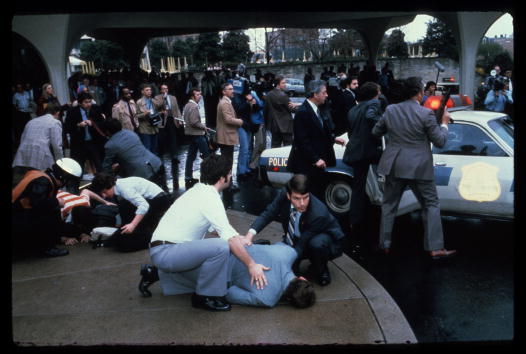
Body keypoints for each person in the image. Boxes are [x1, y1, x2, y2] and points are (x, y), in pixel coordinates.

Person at [138, 154, 270, 312]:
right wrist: (251, 265)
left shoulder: (199, 191)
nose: (230, 176)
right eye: (229, 174)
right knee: (221, 248)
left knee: (215, 270)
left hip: (166, 250)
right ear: (222, 178)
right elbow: (227, 239)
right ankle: (205, 297)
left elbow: (216, 229)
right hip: (167, 252)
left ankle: (154, 273)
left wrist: (241, 239)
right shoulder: (210, 198)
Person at [371, 77, 457, 260]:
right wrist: (444, 123)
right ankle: (435, 249)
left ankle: (384, 244)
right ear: (419, 93)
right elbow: (440, 141)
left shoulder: (391, 109)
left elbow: (376, 132)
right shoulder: (425, 114)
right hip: (420, 167)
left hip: (394, 164)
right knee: (431, 204)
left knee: (388, 206)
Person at [245, 174, 345, 286]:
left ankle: (321, 269)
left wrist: (289, 263)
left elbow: (303, 243)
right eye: (297, 198)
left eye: (305, 197)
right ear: (288, 195)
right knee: (288, 265)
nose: (302, 203)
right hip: (301, 235)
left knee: (315, 245)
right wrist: (250, 235)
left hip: (328, 239)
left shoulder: (318, 213)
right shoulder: (283, 194)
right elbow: (269, 213)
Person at [287, 80, 346, 200]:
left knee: (317, 196)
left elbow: (318, 132)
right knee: (308, 197)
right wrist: (316, 159)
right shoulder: (303, 112)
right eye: (324, 92)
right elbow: (302, 140)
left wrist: (333, 139)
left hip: (316, 164)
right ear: (315, 94)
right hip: (307, 165)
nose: (327, 95)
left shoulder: (316, 109)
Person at [12, 158, 82, 258]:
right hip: (18, 222)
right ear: (63, 177)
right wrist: (57, 201)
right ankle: (46, 249)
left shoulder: (42, 175)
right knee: (52, 210)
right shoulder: (42, 181)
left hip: (18, 217)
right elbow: (37, 203)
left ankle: (54, 240)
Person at [342, 82, 383, 252]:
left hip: (355, 153)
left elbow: (352, 132)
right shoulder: (374, 103)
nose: (380, 94)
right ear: (374, 94)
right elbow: (372, 118)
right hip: (370, 153)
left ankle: (354, 222)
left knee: (358, 188)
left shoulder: (353, 109)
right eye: (379, 91)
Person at [90, 172, 172, 252]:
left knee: (125, 244)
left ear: (110, 186)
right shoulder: (117, 186)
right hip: (151, 200)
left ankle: (150, 240)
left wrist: (133, 224)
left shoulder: (124, 188)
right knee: (124, 211)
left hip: (159, 201)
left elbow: (144, 206)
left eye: (104, 192)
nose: (104, 196)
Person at [225, 243, 316, 308]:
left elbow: (279, 244)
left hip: (231, 245)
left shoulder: (289, 253)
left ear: (302, 278)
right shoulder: (267, 299)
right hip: (221, 268)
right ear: (288, 299)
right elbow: (230, 293)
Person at [101, 118, 168, 191]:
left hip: (143, 174)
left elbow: (106, 168)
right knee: (164, 194)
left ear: (107, 132)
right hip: (156, 163)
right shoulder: (130, 133)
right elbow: (133, 152)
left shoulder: (110, 145)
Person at [64, 92, 108, 177]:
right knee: (77, 168)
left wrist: (93, 123)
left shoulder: (96, 108)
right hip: (79, 144)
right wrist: (78, 125)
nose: (88, 104)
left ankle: (104, 184)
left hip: (94, 142)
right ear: (80, 103)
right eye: (86, 102)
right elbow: (67, 128)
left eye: (89, 101)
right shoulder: (72, 111)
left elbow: (103, 124)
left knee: (99, 166)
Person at [13, 103, 64, 173]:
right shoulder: (55, 122)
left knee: (28, 179)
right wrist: (61, 162)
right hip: (39, 155)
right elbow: (57, 145)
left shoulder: (31, 121)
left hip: (23, 155)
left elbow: (23, 139)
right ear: (57, 113)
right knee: (41, 179)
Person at [155, 83, 183, 190]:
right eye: (163, 89)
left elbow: (177, 110)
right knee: (162, 139)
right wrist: (163, 98)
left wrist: (179, 119)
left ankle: (174, 156)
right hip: (162, 121)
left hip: (172, 120)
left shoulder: (173, 98)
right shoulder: (157, 98)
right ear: (160, 90)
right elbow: (157, 106)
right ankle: (161, 155)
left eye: (166, 88)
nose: (165, 90)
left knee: (173, 138)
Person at [183, 88, 210, 190]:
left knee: (190, 157)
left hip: (191, 134)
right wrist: (204, 127)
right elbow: (194, 122)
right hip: (198, 134)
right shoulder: (194, 106)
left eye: (200, 94)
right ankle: (206, 178)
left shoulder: (187, 105)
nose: (200, 96)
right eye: (198, 95)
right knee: (207, 156)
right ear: (192, 96)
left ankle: (188, 177)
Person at [216, 82, 244, 179]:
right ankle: (227, 184)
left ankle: (228, 183)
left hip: (226, 136)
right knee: (227, 161)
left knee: (227, 160)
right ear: (224, 92)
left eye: (232, 88)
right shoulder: (224, 103)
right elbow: (228, 119)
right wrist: (240, 121)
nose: (233, 91)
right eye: (230, 89)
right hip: (226, 137)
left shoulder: (226, 102)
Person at [264, 76, 297, 148]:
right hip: (286, 126)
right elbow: (293, 109)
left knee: (275, 148)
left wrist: (267, 125)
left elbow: (265, 111)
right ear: (278, 84)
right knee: (288, 149)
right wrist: (300, 105)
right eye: (283, 83)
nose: (285, 84)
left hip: (274, 126)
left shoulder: (268, 95)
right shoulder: (283, 96)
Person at [136, 83, 164, 153]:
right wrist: (145, 113)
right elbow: (136, 116)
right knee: (147, 148)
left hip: (154, 126)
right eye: (147, 90)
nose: (149, 91)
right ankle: (147, 163)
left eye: (150, 90)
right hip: (145, 128)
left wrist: (161, 113)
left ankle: (153, 162)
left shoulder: (153, 100)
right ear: (142, 92)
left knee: (154, 147)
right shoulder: (139, 102)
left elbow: (155, 111)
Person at [12, 83, 34, 148]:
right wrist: (17, 109)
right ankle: (23, 141)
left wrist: (30, 106)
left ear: (22, 88)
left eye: (20, 87)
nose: (19, 89)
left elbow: (30, 101)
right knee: (22, 127)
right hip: (21, 113)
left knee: (29, 125)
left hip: (27, 112)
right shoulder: (15, 95)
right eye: (18, 88)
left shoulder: (27, 93)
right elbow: (14, 104)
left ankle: (30, 140)